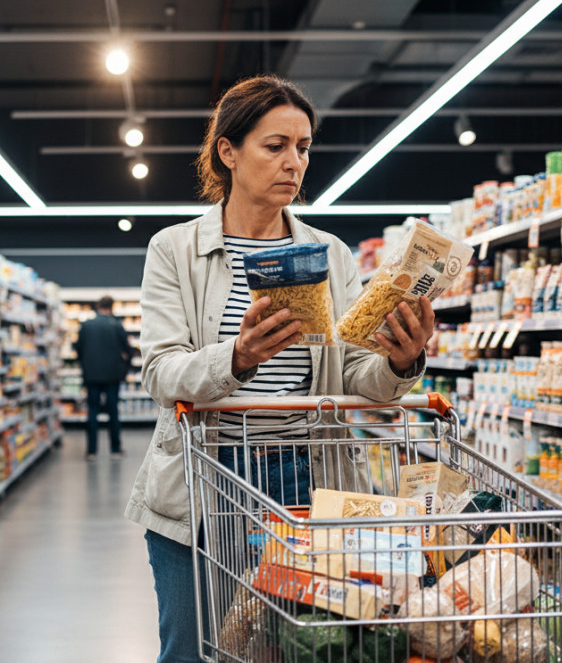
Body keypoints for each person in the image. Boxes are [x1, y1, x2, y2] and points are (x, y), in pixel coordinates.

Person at [123, 75, 433, 662]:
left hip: (306, 476)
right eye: (276, 146)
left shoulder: (332, 253)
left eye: (304, 147)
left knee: (297, 647)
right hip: (203, 478)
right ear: (228, 152)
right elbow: (161, 373)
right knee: (193, 648)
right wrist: (236, 359)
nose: (295, 162)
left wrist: (401, 361)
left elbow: (354, 375)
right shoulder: (175, 250)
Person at [74, 295, 132, 460]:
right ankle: (115, 449)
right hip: (113, 376)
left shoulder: (86, 326)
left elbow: (78, 350)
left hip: (91, 375)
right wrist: (123, 369)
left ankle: (91, 451)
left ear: (98, 306)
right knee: (113, 412)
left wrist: (85, 366)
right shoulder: (117, 326)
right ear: (112, 307)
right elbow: (128, 351)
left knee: (92, 412)